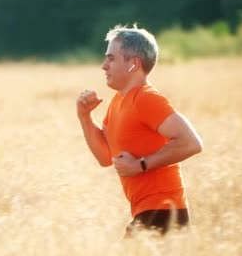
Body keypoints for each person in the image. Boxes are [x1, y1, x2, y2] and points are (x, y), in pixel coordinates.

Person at [76, 24, 203, 237]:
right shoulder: (118, 101)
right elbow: (105, 156)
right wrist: (85, 117)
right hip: (148, 212)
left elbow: (191, 143)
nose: (103, 65)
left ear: (134, 64)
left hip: (165, 212)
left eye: (111, 58)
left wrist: (141, 165)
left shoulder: (147, 98)